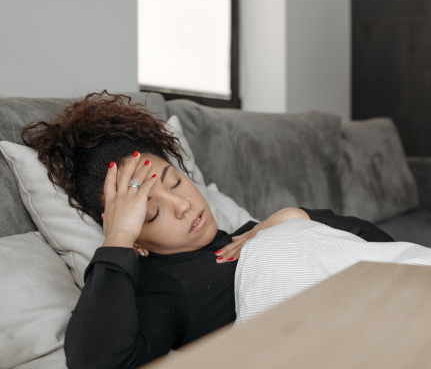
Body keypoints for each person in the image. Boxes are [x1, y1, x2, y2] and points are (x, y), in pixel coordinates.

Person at [23, 91, 394, 368]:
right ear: (135, 236)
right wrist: (117, 237)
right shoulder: (165, 288)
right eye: (152, 214)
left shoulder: (252, 231)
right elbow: (96, 361)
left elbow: (384, 248)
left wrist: (296, 216)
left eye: (175, 182)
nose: (184, 205)